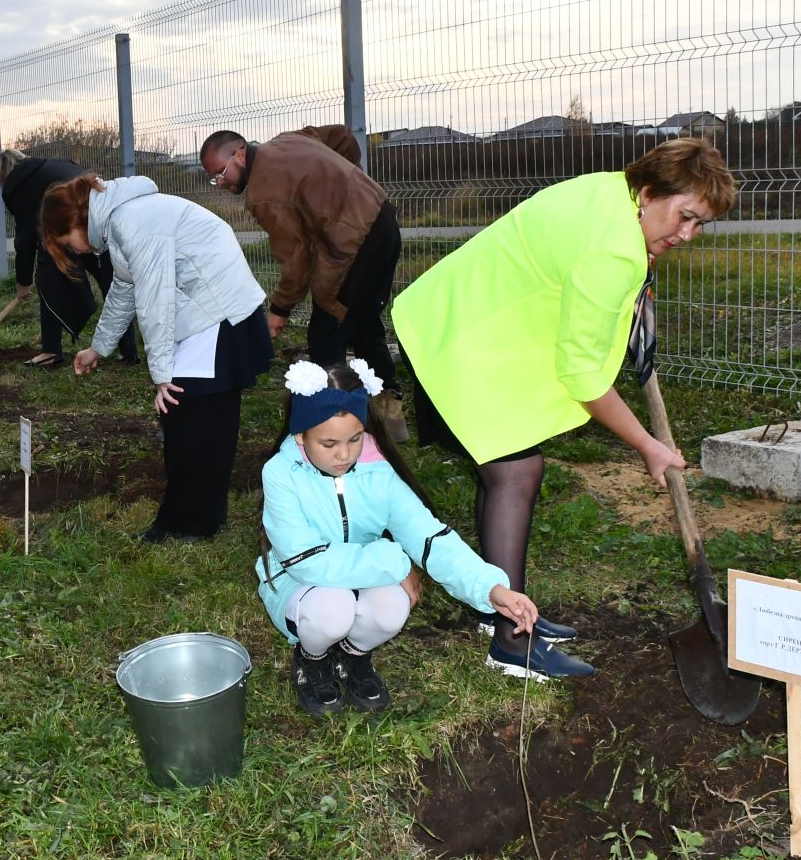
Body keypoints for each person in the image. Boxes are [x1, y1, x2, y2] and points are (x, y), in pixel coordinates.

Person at [390, 137, 737, 679]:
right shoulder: (614, 250)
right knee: (516, 473)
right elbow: (581, 375)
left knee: (502, 470)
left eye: (701, 224)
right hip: (464, 338)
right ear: (649, 192)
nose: (688, 235)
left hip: (462, 317)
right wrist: (647, 445)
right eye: (685, 216)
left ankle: (495, 604)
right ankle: (511, 639)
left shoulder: (611, 194)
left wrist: (637, 288)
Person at [258, 359, 548, 715]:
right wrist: (394, 561)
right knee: (331, 610)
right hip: (301, 583)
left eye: (354, 438)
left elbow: (430, 536)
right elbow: (307, 562)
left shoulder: (378, 472)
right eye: (329, 443)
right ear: (300, 435)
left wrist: (492, 588)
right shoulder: (280, 474)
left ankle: (353, 656)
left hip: (363, 572)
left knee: (392, 607)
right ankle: (312, 658)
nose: (345, 454)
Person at [42, 173, 270, 542]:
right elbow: (125, 288)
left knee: (196, 425)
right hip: (210, 313)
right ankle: (198, 518)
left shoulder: (131, 222)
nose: (76, 251)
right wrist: (98, 346)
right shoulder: (122, 221)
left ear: (75, 221)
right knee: (198, 424)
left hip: (217, 317)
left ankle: (190, 525)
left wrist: (163, 374)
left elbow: (155, 301)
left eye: (68, 242)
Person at [199, 125, 407, 438]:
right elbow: (342, 137)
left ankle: (331, 424)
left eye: (221, 172)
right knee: (363, 324)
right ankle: (390, 419)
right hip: (382, 218)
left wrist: (279, 310)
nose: (220, 183)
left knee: (326, 335)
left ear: (239, 153)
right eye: (214, 177)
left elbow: (296, 261)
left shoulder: (262, 193)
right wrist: (349, 182)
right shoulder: (287, 140)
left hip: (355, 245)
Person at [0, 148, 138, 368]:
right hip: (99, 219)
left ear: (3, 175)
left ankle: (50, 351)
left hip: (69, 224)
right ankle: (129, 352)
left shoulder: (17, 186)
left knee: (48, 280)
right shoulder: (54, 164)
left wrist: (23, 283)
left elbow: (25, 239)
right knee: (114, 282)